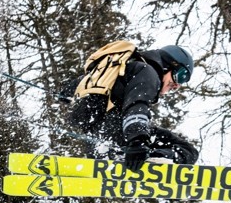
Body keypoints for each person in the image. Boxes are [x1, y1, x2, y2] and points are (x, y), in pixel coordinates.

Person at [58, 44, 199, 172]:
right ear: (167, 64)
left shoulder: (122, 68)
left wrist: (66, 93)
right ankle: (153, 160)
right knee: (188, 151)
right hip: (120, 136)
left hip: (98, 139)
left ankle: (132, 156)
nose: (176, 85)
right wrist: (138, 141)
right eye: (180, 76)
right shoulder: (148, 72)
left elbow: (77, 87)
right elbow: (137, 104)